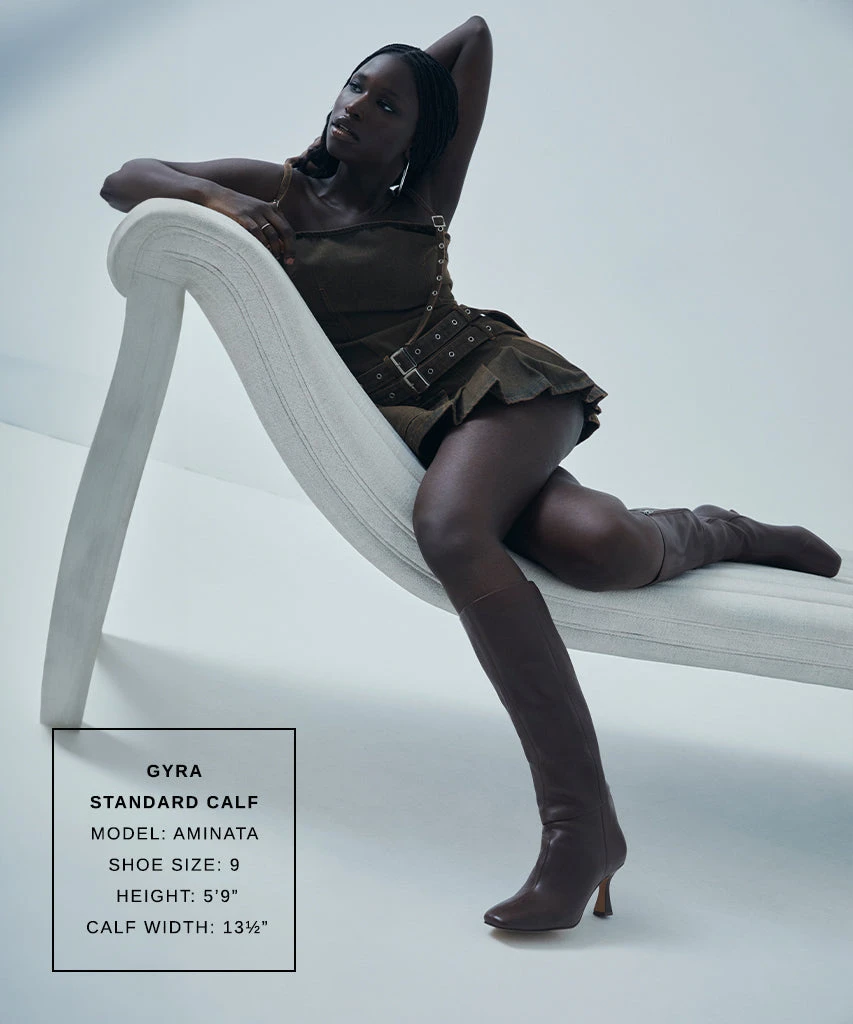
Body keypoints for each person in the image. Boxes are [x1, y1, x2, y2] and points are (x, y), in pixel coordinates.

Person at [100, 16, 843, 933]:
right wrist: (219, 201)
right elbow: (124, 178)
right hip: (434, 432)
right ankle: (727, 528)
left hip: (504, 386)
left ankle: (578, 830)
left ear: (420, 138)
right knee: (599, 547)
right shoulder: (278, 190)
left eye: (388, 106)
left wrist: (421, 95)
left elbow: (474, 37)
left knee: (452, 531)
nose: (357, 107)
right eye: (354, 86)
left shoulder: (424, 196)